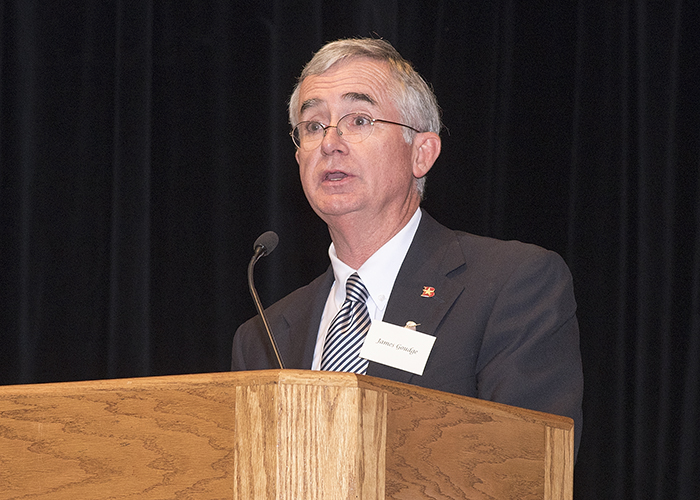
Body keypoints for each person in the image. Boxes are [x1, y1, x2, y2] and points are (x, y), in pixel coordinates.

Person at [231, 38, 583, 457]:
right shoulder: (263, 336)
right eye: (313, 126)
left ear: (421, 153)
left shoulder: (510, 285)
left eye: (358, 120)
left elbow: (528, 465)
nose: (330, 142)